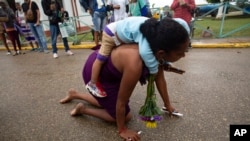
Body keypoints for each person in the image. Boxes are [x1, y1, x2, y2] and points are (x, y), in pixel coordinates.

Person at [60, 18, 189, 141]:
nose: (183, 56)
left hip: (112, 72)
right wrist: (122, 129)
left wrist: (168, 105)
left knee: (105, 102)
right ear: (161, 53)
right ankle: (83, 109)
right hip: (98, 73)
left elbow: (159, 79)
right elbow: (121, 101)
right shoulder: (135, 63)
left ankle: (75, 94)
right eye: (179, 53)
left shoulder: (154, 47)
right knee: (125, 116)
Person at [85, 16, 190, 98]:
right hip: (111, 33)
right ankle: (93, 83)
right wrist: (153, 71)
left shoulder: (157, 31)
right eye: (180, 53)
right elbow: (145, 53)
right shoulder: (148, 37)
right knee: (101, 58)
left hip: (122, 31)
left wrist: (165, 64)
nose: (184, 55)